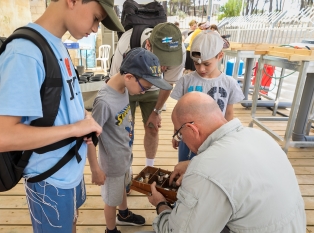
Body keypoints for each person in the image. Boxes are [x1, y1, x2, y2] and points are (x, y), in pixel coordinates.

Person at [0, 0, 124, 232]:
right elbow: (0, 137)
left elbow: (69, 104)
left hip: (70, 170)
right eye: (96, 18)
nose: (95, 29)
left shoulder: (56, 44)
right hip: (49, 181)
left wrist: (85, 129)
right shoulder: (26, 53)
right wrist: (75, 129)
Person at [147, 91, 306, 233]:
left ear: (192, 129)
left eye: (180, 135)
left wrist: (161, 204)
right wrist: (192, 165)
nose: (181, 141)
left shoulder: (205, 171)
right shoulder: (260, 136)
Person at [88, 47, 172, 233]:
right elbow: (89, 139)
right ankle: (111, 230)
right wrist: (95, 169)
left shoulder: (125, 88)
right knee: (111, 200)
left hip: (124, 155)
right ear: (129, 77)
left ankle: (124, 214)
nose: (144, 92)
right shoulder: (104, 102)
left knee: (123, 188)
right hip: (111, 164)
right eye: (145, 87)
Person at [109, 22, 186, 168]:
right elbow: (115, 82)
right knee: (124, 130)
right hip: (126, 88)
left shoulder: (180, 51)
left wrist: (157, 111)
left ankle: (149, 167)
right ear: (148, 46)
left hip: (155, 89)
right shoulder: (126, 44)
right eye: (159, 60)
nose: (163, 68)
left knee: (152, 127)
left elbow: (168, 82)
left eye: (168, 63)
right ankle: (126, 169)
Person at [171, 30, 244, 162]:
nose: (201, 69)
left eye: (206, 64)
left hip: (215, 139)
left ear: (220, 56)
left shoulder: (229, 83)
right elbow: (178, 112)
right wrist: (176, 133)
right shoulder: (186, 81)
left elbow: (228, 112)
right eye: (196, 64)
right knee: (184, 169)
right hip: (188, 139)